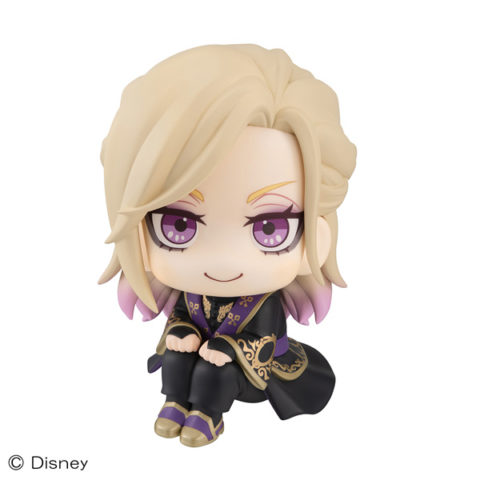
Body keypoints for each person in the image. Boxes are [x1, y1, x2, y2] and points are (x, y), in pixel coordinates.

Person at [99, 44, 356, 447]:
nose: (223, 259)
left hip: (246, 370)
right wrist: (180, 332)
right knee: (175, 356)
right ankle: (174, 403)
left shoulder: (263, 301)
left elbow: (264, 337)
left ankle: (208, 415)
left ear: (317, 235)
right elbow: (181, 314)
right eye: (178, 224)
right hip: (200, 353)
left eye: (270, 228)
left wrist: (226, 348)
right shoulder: (191, 292)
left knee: (214, 369)